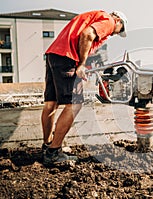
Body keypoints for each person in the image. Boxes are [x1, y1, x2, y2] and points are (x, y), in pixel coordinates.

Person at [41, 10, 128, 165]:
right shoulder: (108, 21)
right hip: (67, 57)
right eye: (120, 30)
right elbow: (87, 35)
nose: (115, 34)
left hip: (54, 55)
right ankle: (53, 152)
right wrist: (81, 65)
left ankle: (48, 146)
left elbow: (83, 36)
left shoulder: (92, 16)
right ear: (118, 20)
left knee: (51, 103)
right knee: (74, 105)